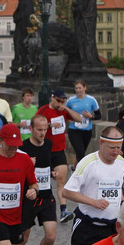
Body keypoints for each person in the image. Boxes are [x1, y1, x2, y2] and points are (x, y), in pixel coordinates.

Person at [17, 114, 56, 245]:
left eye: (45, 129)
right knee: (24, 237)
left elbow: (49, 164)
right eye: (39, 130)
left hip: (46, 195)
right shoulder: (23, 148)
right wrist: (27, 165)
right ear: (31, 129)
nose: (42, 133)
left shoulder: (49, 144)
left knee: (51, 236)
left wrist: (52, 172)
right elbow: (16, 175)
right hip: (29, 196)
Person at [36, 89, 84, 222]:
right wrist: (49, 125)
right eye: (58, 100)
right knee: (43, 182)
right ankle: (37, 206)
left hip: (59, 150)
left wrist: (67, 109)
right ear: (52, 98)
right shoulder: (44, 110)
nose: (60, 103)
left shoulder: (63, 110)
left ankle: (63, 211)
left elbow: (79, 118)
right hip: (45, 149)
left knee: (61, 181)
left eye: (63, 101)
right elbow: (33, 124)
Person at [66, 79, 100, 167]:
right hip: (74, 130)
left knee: (80, 153)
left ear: (85, 88)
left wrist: (91, 116)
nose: (78, 90)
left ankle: (74, 168)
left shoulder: (91, 100)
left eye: (80, 88)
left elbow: (99, 115)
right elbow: (65, 112)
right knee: (81, 153)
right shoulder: (71, 100)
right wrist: (69, 117)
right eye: (76, 88)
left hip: (87, 131)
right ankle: (83, 172)